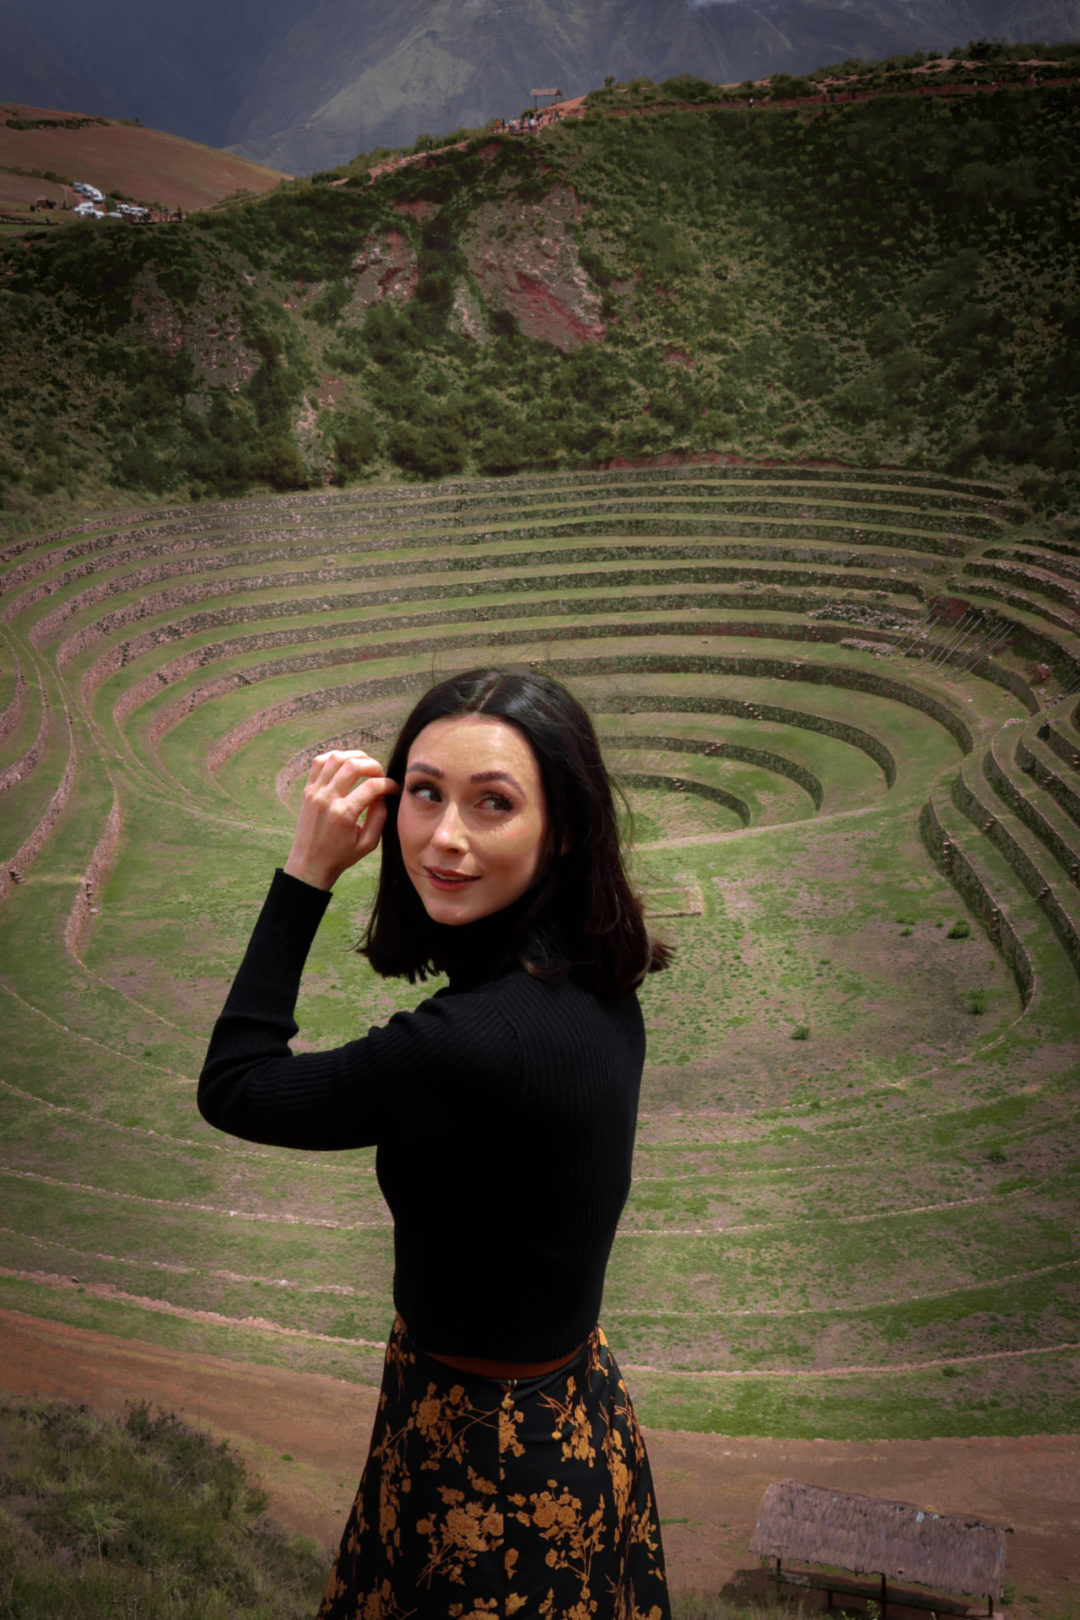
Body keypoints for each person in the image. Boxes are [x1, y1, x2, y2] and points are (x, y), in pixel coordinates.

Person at [198, 666, 672, 1619]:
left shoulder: (473, 1045)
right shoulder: (590, 980)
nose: (444, 838)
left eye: (493, 803)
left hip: (484, 1468)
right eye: (425, 793)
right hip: (570, 1414)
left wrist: (305, 872)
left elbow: (235, 1086)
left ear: (565, 827)